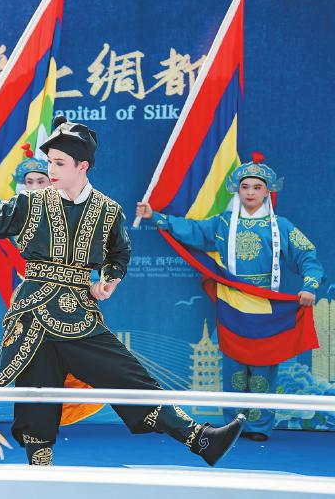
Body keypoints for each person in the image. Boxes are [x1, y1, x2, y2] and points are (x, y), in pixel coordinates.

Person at [0, 116, 244, 467]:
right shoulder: (29, 203)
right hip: (32, 312)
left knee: (127, 376)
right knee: (37, 395)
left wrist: (110, 277)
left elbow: (120, 252)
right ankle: (39, 474)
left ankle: (199, 438)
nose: (51, 170)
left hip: (78, 312)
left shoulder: (107, 210)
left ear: (82, 165)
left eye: (59, 163)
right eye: (49, 162)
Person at [136, 154, 325, 442]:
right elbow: (194, 231)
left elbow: (308, 257)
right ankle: (232, 427)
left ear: (267, 191)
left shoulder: (281, 227)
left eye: (256, 187)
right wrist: (156, 217)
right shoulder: (224, 224)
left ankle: (259, 427)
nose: (250, 192)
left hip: (265, 306)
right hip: (231, 304)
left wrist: (309, 286)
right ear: (238, 190)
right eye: (245, 186)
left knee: (263, 372)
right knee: (234, 372)